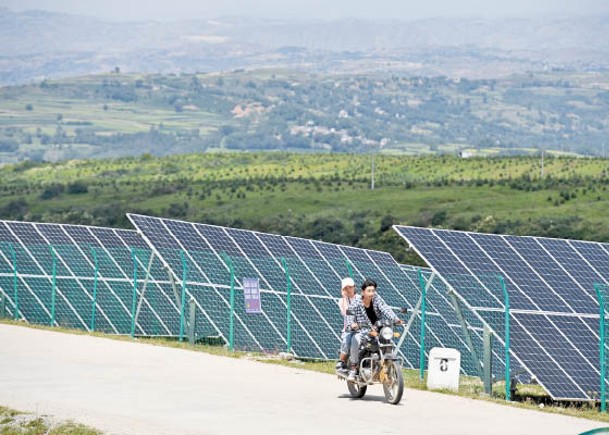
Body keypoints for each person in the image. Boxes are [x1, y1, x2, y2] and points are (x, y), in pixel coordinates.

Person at [347, 278, 402, 382]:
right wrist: (352, 323)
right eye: (369, 291)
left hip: (378, 328)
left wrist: (395, 319)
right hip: (362, 329)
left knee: (387, 341)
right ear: (363, 291)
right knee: (356, 340)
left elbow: (385, 308)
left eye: (373, 290)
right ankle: (353, 369)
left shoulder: (376, 299)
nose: (371, 293)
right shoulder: (356, 302)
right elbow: (349, 312)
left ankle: (385, 364)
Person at [336, 277, 358, 372]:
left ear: (354, 287)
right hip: (349, 329)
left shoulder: (361, 299)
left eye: (350, 287)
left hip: (363, 328)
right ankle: (341, 362)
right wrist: (345, 298)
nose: (348, 290)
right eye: (345, 288)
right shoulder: (342, 301)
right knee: (347, 340)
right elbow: (346, 312)